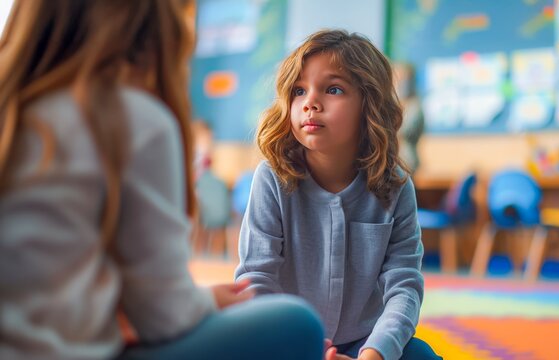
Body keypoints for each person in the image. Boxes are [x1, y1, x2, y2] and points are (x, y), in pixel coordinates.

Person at [0, 1, 324, 359]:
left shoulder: (14, 111)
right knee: (298, 323)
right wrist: (205, 300)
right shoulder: (130, 118)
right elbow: (162, 315)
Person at [235, 30, 441, 360]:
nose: (310, 103)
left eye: (333, 89)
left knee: (422, 356)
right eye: (299, 91)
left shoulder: (396, 187)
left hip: (365, 341)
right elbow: (257, 277)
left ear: (369, 104)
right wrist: (297, 346)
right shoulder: (272, 178)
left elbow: (404, 286)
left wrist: (376, 352)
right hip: (288, 340)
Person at [394, 63, 425, 173]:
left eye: (405, 78)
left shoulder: (415, 106)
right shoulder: (394, 103)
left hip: (408, 163)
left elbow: (402, 132)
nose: (401, 82)